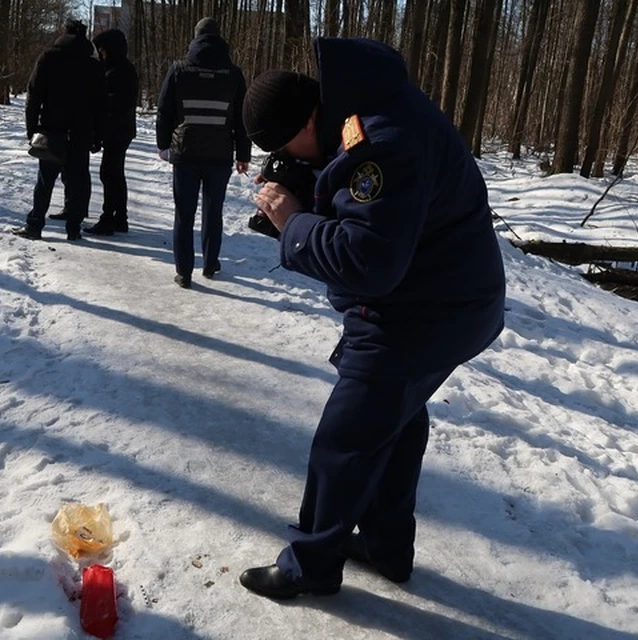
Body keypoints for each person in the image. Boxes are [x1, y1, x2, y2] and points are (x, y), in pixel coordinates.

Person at [237, 37, 507, 600]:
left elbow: (369, 260)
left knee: (346, 437)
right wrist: (310, 196)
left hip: (425, 312)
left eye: (293, 148)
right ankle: (386, 546)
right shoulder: (365, 116)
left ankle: (309, 564)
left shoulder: (381, 143)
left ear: (310, 118)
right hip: (439, 300)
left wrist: (293, 224)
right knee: (395, 422)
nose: (297, 160)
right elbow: (370, 211)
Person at [156, 17, 250, 288]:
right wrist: (243, 153)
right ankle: (210, 264)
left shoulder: (179, 70)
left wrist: (164, 145)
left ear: (195, 38)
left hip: (185, 152)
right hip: (220, 154)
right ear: (219, 38)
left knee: (184, 214)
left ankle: (184, 272)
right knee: (213, 211)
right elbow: (241, 119)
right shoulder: (233, 74)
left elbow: (164, 112)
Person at [13, 19, 105, 242]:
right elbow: (101, 105)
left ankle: (35, 225)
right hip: (81, 132)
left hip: (52, 130)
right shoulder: (93, 66)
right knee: (78, 181)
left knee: (45, 181)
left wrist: (31, 129)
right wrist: (98, 136)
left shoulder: (48, 58)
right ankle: (73, 229)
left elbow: (33, 95)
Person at [84, 28, 138, 236]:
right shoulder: (118, 68)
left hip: (117, 130)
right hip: (119, 130)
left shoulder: (119, 71)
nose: (100, 54)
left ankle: (108, 219)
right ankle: (120, 218)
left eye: (102, 50)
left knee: (109, 174)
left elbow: (116, 103)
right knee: (116, 174)